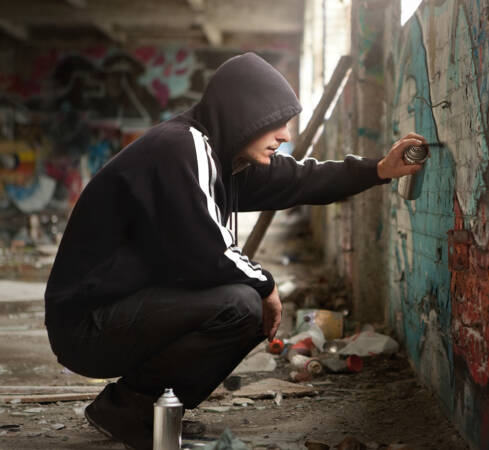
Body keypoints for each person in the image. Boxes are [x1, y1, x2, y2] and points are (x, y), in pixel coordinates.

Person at [44, 52, 424, 449]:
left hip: (117, 310)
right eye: (276, 122)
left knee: (241, 301)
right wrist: (266, 284)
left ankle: (146, 412)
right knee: (242, 304)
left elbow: (299, 179)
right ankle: (130, 409)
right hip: (88, 323)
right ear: (244, 114)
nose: (285, 136)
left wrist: (378, 169)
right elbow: (205, 250)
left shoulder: (223, 158)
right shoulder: (182, 147)